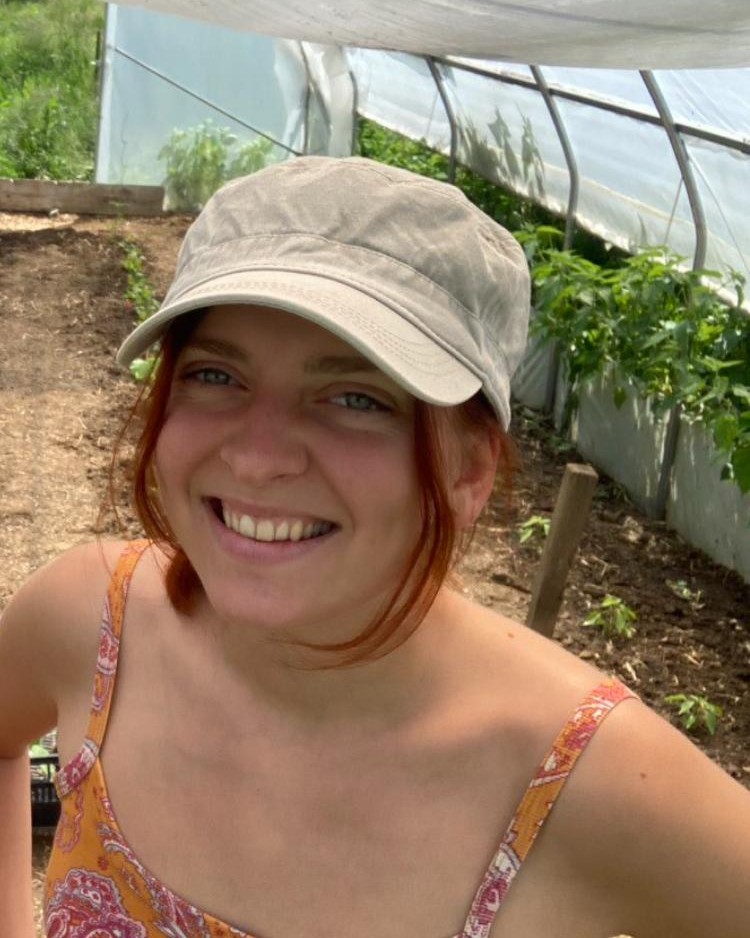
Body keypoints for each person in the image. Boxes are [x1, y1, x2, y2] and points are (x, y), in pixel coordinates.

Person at [1, 156, 749, 938]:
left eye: (356, 398)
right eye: (216, 376)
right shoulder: (91, 624)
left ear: (470, 470)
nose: (257, 458)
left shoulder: (582, 780)